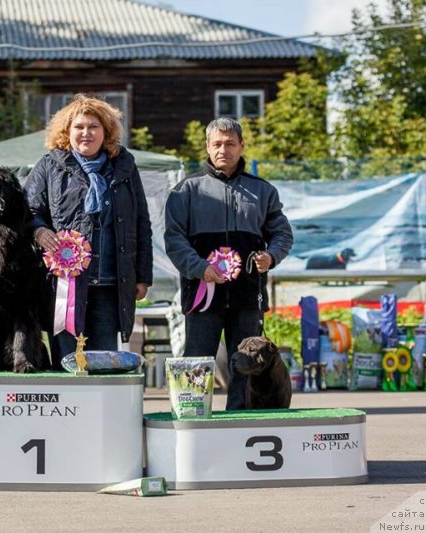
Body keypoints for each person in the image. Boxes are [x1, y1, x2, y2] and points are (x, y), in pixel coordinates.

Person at [164, 117, 294, 410]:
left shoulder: (263, 191)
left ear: (242, 146)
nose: (224, 149)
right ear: (208, 148)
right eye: (217, 144)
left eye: (230, 143)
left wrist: (271, 256)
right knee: (197, 361)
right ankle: (191, 419)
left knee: (247, 367)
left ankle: (239, 422)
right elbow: (174, 239)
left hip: (248, 296)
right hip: (202, 295)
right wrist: (200, 268)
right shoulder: (185, 190)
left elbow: (282, 233)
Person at [24, 94, 153, 366]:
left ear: (106, 131)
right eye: (79, 127)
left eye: (93, 127)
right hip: (64, 287)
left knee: (102, 363)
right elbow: (27, 211)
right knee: (67, 364)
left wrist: (142, 276)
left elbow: (141, 222)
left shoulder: (125, 167)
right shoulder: (48, 165)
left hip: (111, 285)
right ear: (66, 131)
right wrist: (39, 232)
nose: (86, 133)